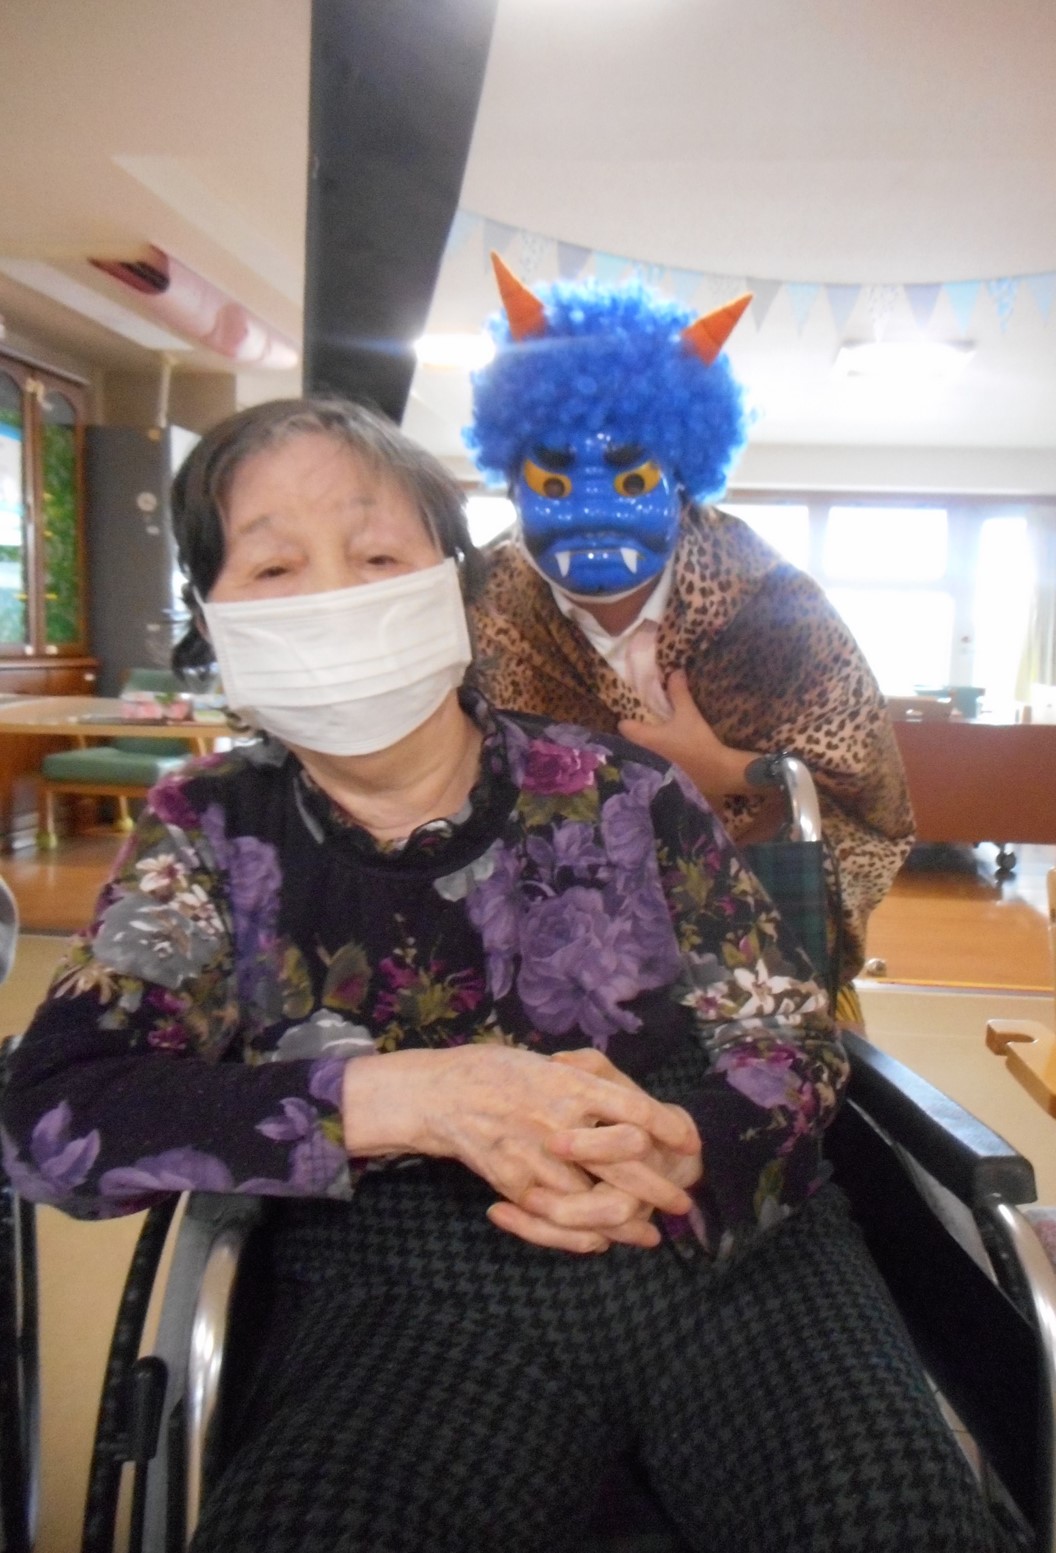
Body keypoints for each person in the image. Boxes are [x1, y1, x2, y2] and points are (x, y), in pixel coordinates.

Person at [1, 399, 991, 1553]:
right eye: (274, 564)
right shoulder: (211, 831)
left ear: (453, 587)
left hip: (734, 1257)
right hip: (408, 1300)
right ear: (213, 618)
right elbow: (53, 1118)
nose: (333, 593)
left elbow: (788, 1036)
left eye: (378, 555)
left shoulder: (628, 789)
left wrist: (691, 1149)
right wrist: (395, 1096)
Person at [465, 258, 915, 1019]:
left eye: (629, 479)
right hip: (546, 971)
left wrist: (728, 773)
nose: (593, 510)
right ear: (512, 482)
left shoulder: (775, 606)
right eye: (555, 482)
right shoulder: (479, 610)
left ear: (679, 477)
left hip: (747, 958)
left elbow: (867, 797)